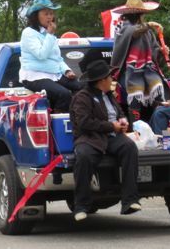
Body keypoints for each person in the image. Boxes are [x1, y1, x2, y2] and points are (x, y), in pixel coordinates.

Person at [70, 60, 141, 221]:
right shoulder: (82, 97)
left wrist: (123, 120)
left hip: (112, 137)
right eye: (110, 77)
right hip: (90, 138)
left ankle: (130, 200)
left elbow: (119, 111)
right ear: (101, 80)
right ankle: (81, 206)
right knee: (84, 157)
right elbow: (85, 123)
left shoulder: (109, 95)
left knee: (129, 147)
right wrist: (111, 126)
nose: (112, 80)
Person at [111, 0, 170, 123]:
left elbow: (153, 53)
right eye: (142, 14)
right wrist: (148, 25)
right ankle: (136, 129)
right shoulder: (122, 27)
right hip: (129, 72)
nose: (143, 16)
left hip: (148, 70)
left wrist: (161, 51)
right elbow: (132, 32)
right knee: (135, 96)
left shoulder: (147, 31)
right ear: (138, 14)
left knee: (158, 90)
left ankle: (156, 126)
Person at [19, 0, 81, 112]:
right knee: (64, 94)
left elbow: (57, 58)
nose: (49, 17)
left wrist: (66, 70)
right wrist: (50, 35)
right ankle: (57, 125)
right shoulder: (28, 33)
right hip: (35, 76)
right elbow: (41, 55)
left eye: (51, 14)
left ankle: (79, 119)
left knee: (83, 88)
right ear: (36, 15)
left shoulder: (49, 35)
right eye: (46, 14)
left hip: (54, 74)